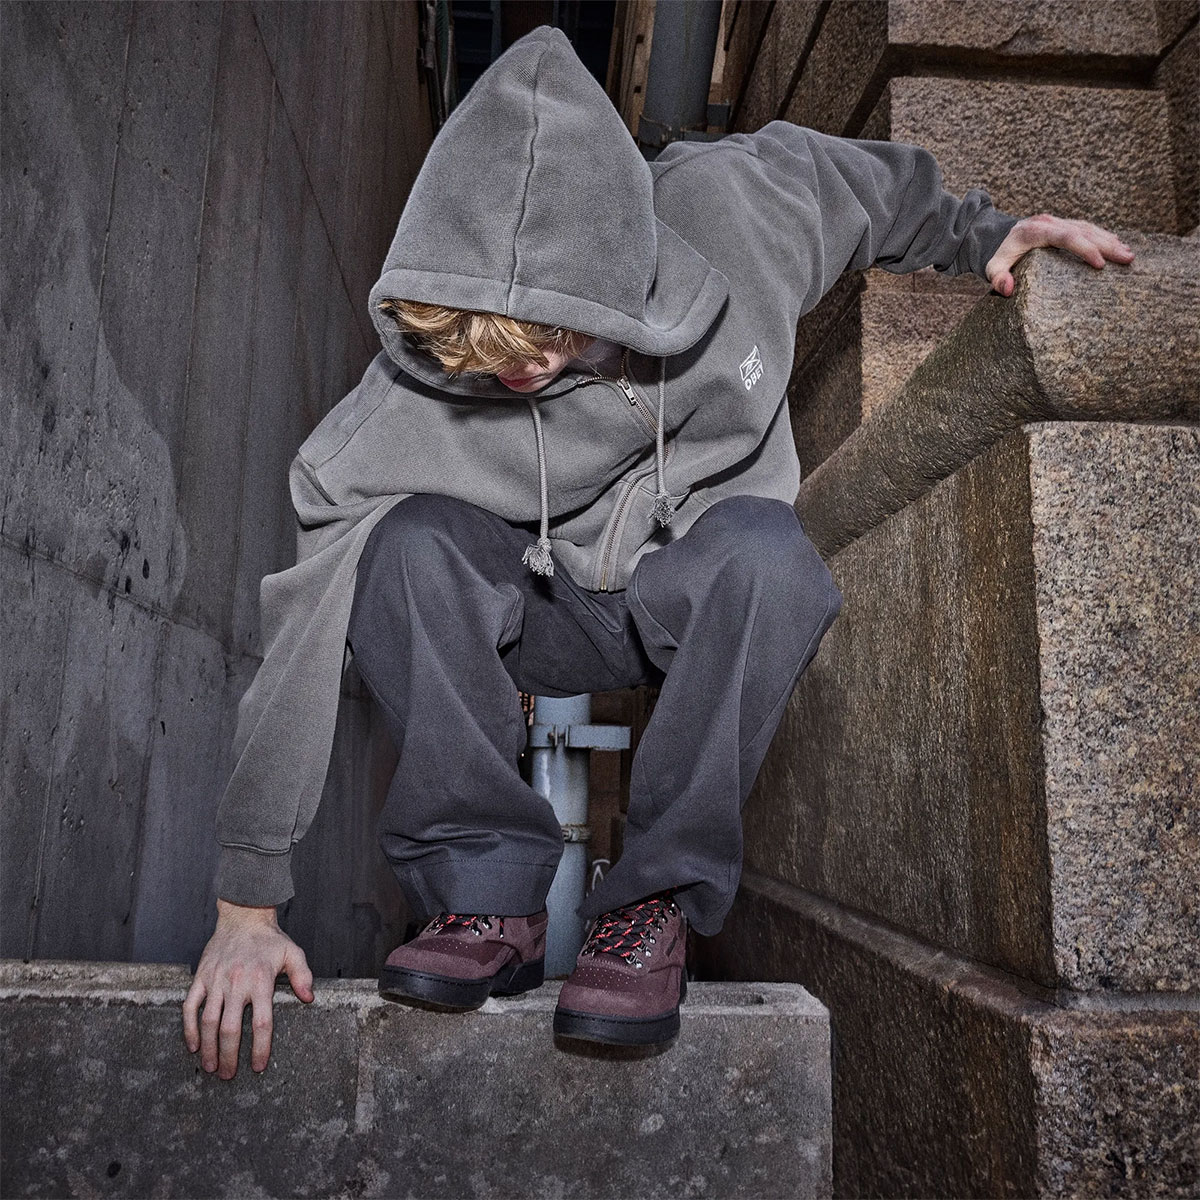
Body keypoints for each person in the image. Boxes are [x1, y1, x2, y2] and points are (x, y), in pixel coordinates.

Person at [183, 26, 1134, 1078]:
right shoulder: (403, 405)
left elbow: (871, 189)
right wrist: (246, 902)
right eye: (483, 356)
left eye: (547, 343)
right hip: (540, 609)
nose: (515, 376)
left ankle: (651, 904)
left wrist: (987, 233)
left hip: (696, 597)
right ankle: (484, 896)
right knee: (403, 548)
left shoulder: (744, 210)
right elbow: (301, 630)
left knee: (772, 556)